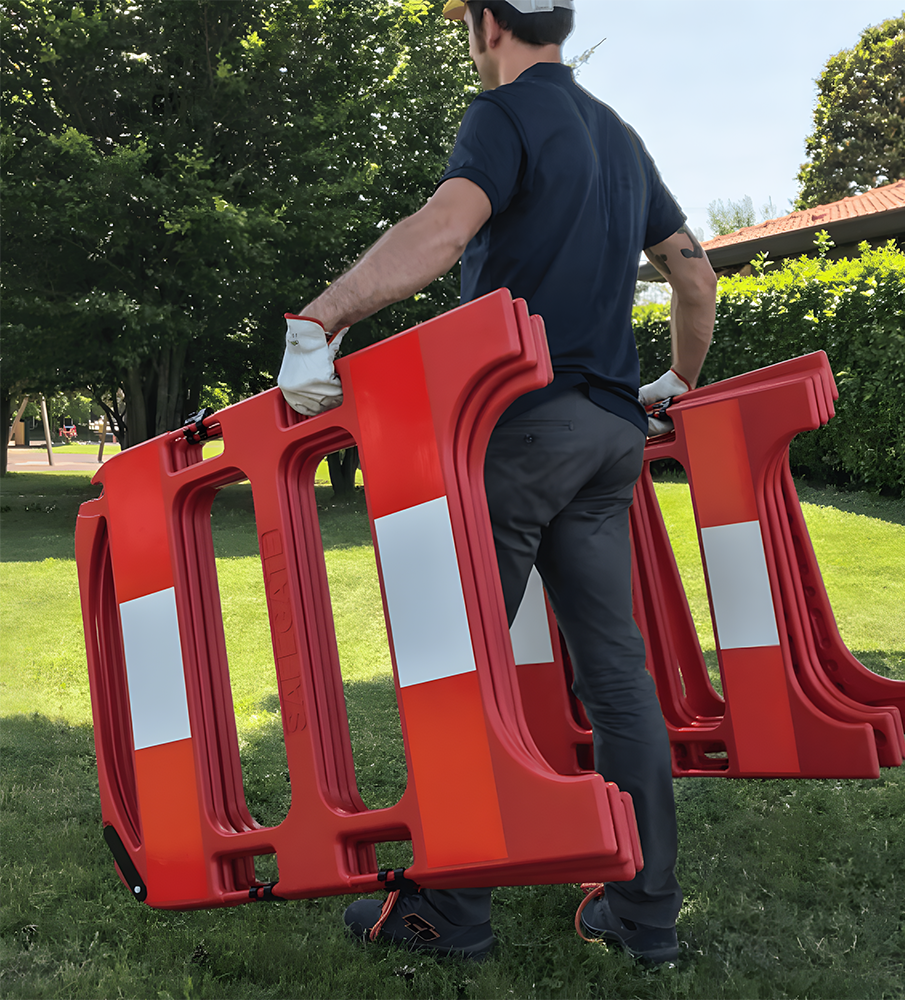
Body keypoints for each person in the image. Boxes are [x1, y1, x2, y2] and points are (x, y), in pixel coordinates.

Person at [277, 0, 716, 967]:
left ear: (486, 23)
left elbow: (442, 228)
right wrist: (678, 382)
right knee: (619, 683)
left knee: (458, 667)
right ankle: (645, 920)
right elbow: (696, 280)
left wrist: (321, 319)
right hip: (609, 439)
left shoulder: (506, 115)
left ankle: (449, 910)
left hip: (521, 429)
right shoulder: (620, 138)